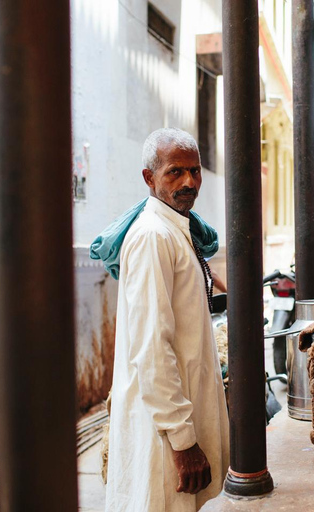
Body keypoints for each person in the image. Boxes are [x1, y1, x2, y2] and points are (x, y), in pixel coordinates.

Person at [105, 128, 229, 511]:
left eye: (195, 171)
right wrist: (182, 440)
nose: (189, 182)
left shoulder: (179, 230)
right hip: (166, 432)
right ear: (149, 177)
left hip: (187, 410)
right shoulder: (152, 237)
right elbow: (151, 346)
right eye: (175, 172)